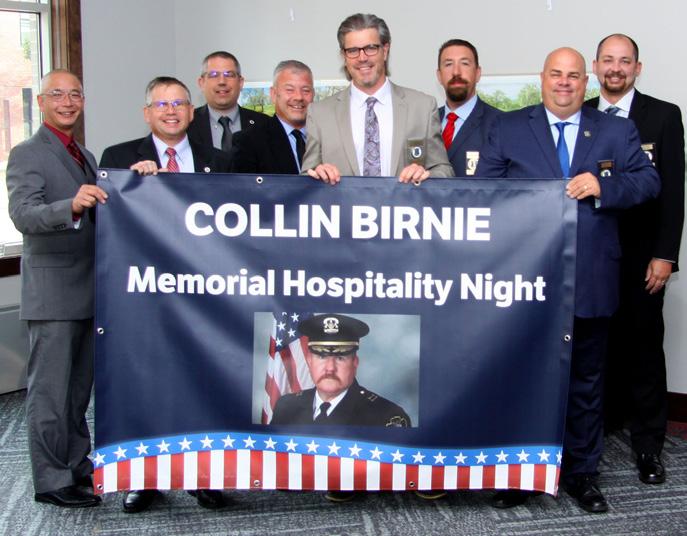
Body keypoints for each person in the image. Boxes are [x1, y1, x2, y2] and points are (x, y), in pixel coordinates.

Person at [476, 47, 660, 513]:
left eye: (573, 75)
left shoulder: (616, 130)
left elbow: (649, 182)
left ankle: (582, 474)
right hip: (522, 281)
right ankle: (522, 473)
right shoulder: (509, 127)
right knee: (522, 379)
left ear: (587, 81)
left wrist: (604, 187)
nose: (564, 82)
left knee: (585, 383)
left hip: (591, 276)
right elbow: (483, 192)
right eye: (556, 74)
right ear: (542, 78)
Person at [100, 76, 231, 513]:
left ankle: (202, 476)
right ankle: (143, 478)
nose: (171, 111)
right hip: (145, 296)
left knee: (202, 384)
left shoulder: (219, 159)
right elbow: (108, 220)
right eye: (161, 104)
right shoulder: (119, 158)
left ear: (192, 112)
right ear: (147, 113)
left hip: (205, 294)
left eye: (179, 104)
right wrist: (135, 187)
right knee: (145, 385)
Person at [586, 34, 685, 485]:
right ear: (596, 66)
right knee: (596, 347)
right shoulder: (581, 112)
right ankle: (600, 430)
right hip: (593, 255)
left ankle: (649, 446)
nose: (616, 68)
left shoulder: (663, 116)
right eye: (608, 60)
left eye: (625, 61)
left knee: (644, 350)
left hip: (643, 258)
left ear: (637, 68)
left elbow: (673, 192)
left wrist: (665, 255)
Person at [6, 69, 107, 508]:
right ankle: (51, 481)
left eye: (75, 95)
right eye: (58, 95)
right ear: (41, 102)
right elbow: (23, 214)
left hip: (88, 291)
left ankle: (77, 466)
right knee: (50, 392)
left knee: (77, 391)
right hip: (53, 294)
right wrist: (72, 206)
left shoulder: (84, 154)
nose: (67, 102)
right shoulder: (27, 153)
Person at [302, 13, 453, 184]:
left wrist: (426, 176)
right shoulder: (320, 114)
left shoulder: (422, 107)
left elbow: (444, 171)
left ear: (385, 50)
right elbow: (305, 178)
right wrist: (316, 175)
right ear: (344, 56)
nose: (362, 58)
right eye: (353, 51)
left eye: (370, 48)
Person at [271, 314, 410, 427]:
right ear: (309, 361)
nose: (330, 368)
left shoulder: (386, 416)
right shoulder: (286, 408)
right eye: (321, 356)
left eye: (340, 358)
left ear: (355, 363)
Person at [233, 60, 314, 174]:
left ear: (313, 94)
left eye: (306, 90)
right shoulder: (249, 141)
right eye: (289, 90)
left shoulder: (327, 137)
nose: (299, 97)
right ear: (274, 94)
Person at [436, 39, 501, 176]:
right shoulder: (426, 122)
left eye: (465, 63)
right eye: (448, 64)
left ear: (477, 73)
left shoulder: (500, 124)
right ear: (439, 76)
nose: (456, 72)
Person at [187, 51, 269, 153]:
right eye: (214, 75)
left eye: (229, 75)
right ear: (202, 83)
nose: (222, 81)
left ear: (240, 82)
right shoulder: (187, 124)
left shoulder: (265, 124)